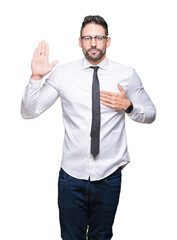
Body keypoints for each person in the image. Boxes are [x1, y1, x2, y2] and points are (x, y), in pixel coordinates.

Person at [21, 15, 156, 240]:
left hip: (109, 175)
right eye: (88, 37)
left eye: (98, 37)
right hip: (71, 177)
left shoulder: (127, 74)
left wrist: (129, 107)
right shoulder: (63, 74)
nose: (93, 43)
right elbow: (29, 111)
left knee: (101, 236)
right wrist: (36, 77)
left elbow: (151, 113)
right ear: (80, 41)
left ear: (108, 41)